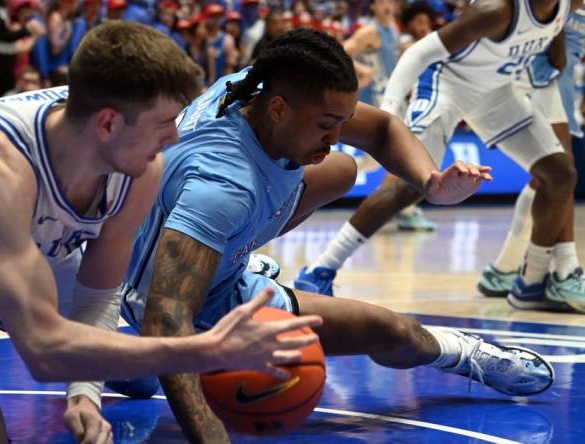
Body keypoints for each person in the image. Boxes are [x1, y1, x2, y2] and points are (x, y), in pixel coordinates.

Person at [0, 22, 322, 444]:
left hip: (36, 256)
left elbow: (99, 294)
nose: (173, 139)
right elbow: (43, 355)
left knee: (122, 353)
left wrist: (83, 394)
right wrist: (201, 351)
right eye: (165, 124)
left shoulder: (141, 166)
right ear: (108, 123)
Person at [105, 29, 551, 442]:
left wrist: (430, 182)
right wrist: (211, 434)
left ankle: (148, 349)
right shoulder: (223, 186)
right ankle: (146, 354)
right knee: (391, 331)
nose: (337, 134)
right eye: (326, 124)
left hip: (175, 244)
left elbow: (380, 129)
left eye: (343, 120)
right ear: (279, 109)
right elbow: (168, 316)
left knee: (340, 168)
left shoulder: (254, 87)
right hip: (173, 296)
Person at [297, 0, 580, 301]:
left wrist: (556, 52)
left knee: (560, 174)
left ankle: (531, 283)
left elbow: (556, 53)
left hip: (496, 92)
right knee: (408, 187)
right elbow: (418, 53)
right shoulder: (497, 10)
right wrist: (390, 115)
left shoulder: (565, 6)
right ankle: (320, 269)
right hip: (446, 85)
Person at [478, 3, 585, 312]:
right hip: (536, 74)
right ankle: (564, 272)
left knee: (549, 177)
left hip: (555, 76)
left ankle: (503, 270)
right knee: (560, 172)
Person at [344, 0, 437, 231]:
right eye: (383, 1)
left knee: (380, 162)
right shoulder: (370, 30)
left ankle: (404, 209)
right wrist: (361, 70)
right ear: (373, 6)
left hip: (392, 102)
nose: (389, 4)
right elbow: (340, 52)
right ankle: (404, 210)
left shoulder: (393, 29)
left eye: (393, 1)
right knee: (403, 157)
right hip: (376, 104)